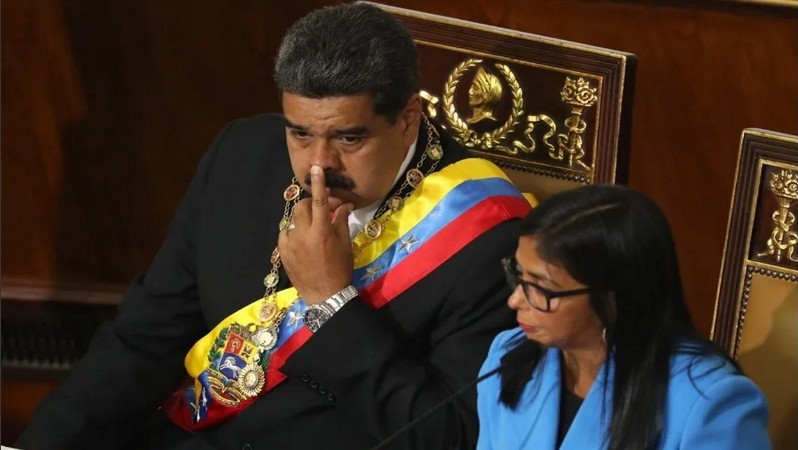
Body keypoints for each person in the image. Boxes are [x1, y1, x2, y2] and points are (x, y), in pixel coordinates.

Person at [17, 3, 536, 449]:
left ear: (406, 118)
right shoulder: (240, 157)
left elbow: (443, 436)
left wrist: (330, 302)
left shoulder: (486, 237)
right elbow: (142, 341)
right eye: (300, 134)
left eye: (348, 139)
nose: (318, 164)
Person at [476, 184, 771, 449]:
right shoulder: (507, 357)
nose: (515, 300)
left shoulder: (711, 404)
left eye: (540, 288)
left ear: (613, 300)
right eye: (517, 274)